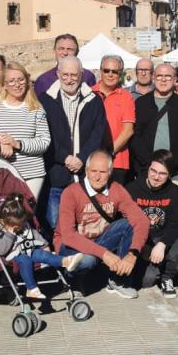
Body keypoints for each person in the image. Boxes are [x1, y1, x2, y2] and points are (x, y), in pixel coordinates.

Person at [55, 151, 150, 299]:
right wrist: (104, 254)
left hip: (99, 239)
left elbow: (141, 220)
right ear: (86, 171)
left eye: (102, 172)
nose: (97, 176)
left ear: (110, 173)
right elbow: (68, 236)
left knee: (128, 224)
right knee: (88, 259)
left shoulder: (116, 189)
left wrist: (133, 254)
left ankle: (117, 279)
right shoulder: (71, 192)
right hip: (72, 246)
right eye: (93, 171)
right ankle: (72, 281)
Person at [39, 55, 110, 230]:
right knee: (56, 225)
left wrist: (82, 158)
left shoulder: (94, 100)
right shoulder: (45, 100)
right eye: (65, 75)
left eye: (74, 75)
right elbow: (44, 134)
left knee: (84, 225)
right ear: (58, 74)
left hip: (85, 175)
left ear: (81, 75)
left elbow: (98, 133)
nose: (69, 79)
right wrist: (65, 158)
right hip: (56, 174)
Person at [0, 62, 50, 200]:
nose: (17, 84)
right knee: (4, 217)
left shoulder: (36, 108)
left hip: (31, 174)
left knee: (23, 216)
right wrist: (0, 140)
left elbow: (44, 141)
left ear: (27, 81)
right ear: (4, 84)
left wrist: (17, 144)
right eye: (11, 81)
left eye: (21, 79)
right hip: (0, 173)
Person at [0, 192, 84, 300]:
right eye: (17, 226)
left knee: (41, 253)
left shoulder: (23, 225)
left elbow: (34, 234)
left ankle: (66, 261)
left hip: (29, 250)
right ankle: (31, 289)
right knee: (25, 259)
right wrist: (10, 234)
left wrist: (44, 245)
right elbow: (0, 250)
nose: (20, 227)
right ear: (6, 221)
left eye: (21, 224)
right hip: (14, 257)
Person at [127, 150, 178, 297]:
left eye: (162, 174)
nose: (156, 177)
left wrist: (162, 244)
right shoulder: (132, 189)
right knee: (146, 281)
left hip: (163, 237)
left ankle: (167, 277)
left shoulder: (173, 191)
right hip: (142, 241)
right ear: (148, 168)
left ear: (169, 175)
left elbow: (176, 223)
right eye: (153, 171)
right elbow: (124, 224)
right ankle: (156, 269)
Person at [132, 63, 178, 189]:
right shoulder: (141, 103)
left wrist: (172, 162)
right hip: (147, 169)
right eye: (159, 76)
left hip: (175, 171)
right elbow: (135, 136)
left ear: (175, 80)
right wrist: (148, 163)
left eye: (167, 76)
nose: (163, 79)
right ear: (153, 78)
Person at [93, 54, 136, 186]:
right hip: (91, 160)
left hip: (117, 161)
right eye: (106, 70)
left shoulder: (126, 97)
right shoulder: (88, 94)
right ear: (101, 72)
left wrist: (109, 153)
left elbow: (128, 131)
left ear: (120, 74)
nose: (110, 74)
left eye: (115, 71)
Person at [33, 33, 97, 95]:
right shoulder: (43, 81)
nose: (65, 53)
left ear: (77, 52)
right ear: (54, 51)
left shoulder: (88, 77)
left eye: (70, 49)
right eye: (61, 48)